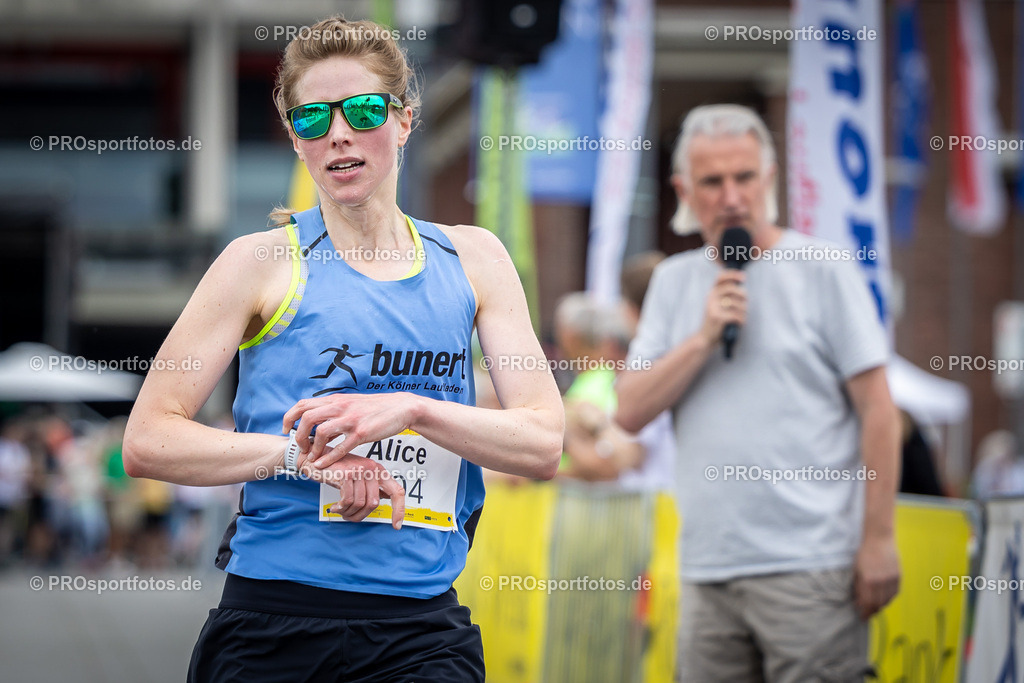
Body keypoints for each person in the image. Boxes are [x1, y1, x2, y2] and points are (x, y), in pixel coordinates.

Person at [123, 15, 562, 682]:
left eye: (362, 110)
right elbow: (148, 440)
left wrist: (413, 410)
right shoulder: (259, 262)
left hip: (420, 630)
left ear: (404, 120)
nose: (339, 134)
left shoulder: (475, 258)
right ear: (297, 140)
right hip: (275, 623)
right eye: (312, 120)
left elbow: (542, 441)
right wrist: (303, 458)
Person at [615, 104, 901, 682]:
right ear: (683, 190)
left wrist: (879, 539)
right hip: (706, 568)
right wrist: (701, 339)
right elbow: (629, 411)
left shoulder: (823, 269)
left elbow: (880, 412)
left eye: (744, 177)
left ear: (769, 179)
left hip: (811, 567)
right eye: (712, 181)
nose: (731, 197)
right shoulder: (674, 282)